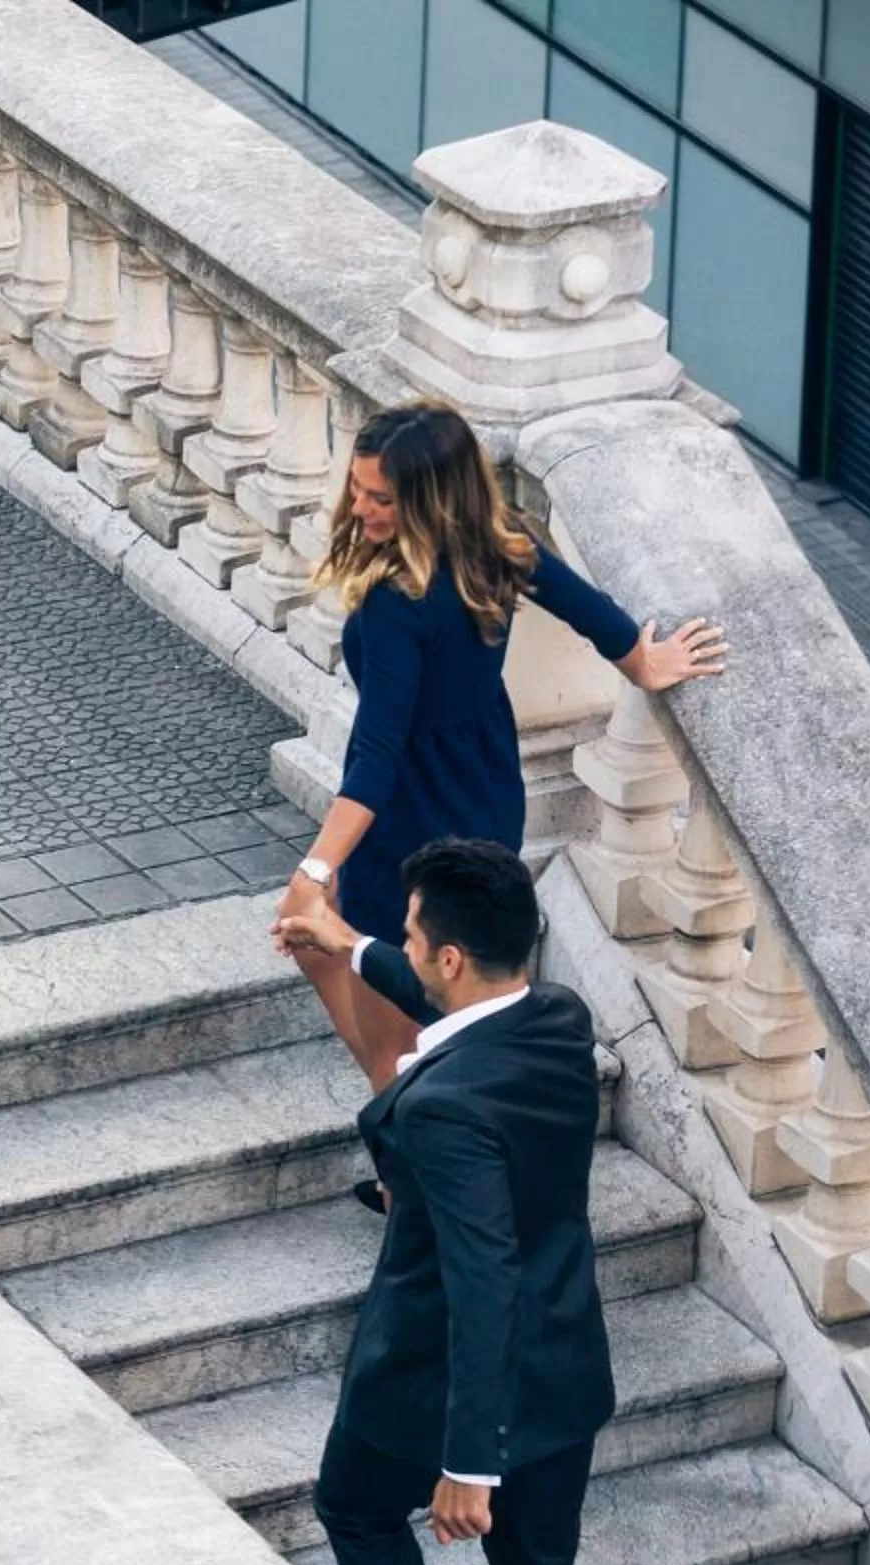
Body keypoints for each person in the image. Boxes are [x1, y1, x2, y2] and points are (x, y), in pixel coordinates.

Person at [273, 838, 624, 1565]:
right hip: (565, 1374)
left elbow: (483, 1282)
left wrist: (471, 1463)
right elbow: (456, 1009)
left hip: (438, 1389)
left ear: (454, 959)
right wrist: (350, 945)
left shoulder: (441, 1111)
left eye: (414, 937)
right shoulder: (556, 1020)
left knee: (352, 1509)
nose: (410, 948)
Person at [276, 400, 724, 1160]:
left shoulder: (395, 609)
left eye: (381, 498)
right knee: (398, 986)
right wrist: (643, 662)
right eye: (358, 489)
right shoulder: (499, 549)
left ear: (429, 500)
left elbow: (376, 757)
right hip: (486, 795)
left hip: (410, 820)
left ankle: (406, 1180)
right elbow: (591, 611)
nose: (360, 508)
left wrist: (314, 867)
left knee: (384, 1024)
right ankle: (422, 1154)